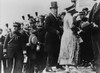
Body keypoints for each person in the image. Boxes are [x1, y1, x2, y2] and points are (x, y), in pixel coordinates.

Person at [44, 1, 61, 72]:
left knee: (54, 52)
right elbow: (46, 26)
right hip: (50, 38)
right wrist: (55, 30)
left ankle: (53, 66)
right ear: (51, 9)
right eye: (54, 9)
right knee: (50, 53)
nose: (56, 10)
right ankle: (48, 67)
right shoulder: (49, 17)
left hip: (55, 38)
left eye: (56, 9)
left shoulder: (55, 17)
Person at [88, 0, 100, 72]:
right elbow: (90, 19)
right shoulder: (95, 5)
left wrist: (98, 26)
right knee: (96, 54)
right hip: (94, 33)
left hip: (99, 32)